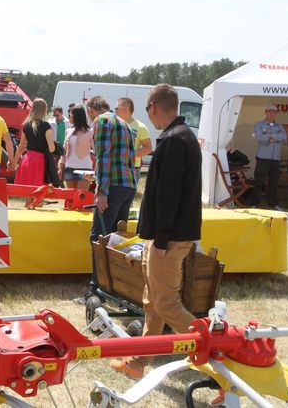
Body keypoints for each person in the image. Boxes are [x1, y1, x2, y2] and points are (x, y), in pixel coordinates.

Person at [110, 84, 202, 380]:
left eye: (148, 109)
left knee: (165, 302)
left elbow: (169, 195)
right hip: (167, 235)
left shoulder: (176, 141)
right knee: (153, 302)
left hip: (169, 237)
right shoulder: (178, 137)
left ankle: (213, 350)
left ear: (154, 107)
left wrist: (161, 238)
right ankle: (138, 362)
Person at [84, 95, 135, 295]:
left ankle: (96, 289)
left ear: (91, 110)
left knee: (99, 237)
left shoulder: (102, 121)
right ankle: (116, 287)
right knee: (116, 238)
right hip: (127, 185)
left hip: (112, 186)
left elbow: (103, 156)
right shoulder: (125, 123)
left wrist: (101, 190)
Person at [250, 104, 287, 210]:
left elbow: (284, 136)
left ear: (276, 113)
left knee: (274, 182)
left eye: (273, 111)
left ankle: (273, 203)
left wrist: (271, 136)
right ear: (265, 112)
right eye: (269, 111)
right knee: (259, 181)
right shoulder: (259, 124)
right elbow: (260, 137)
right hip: (263, 157)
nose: (271, 113)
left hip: (276, 158)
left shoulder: (279, 126)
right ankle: (254, 203)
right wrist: (276, 136)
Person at [12, 98, 56, 187]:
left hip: (27, 159)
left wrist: (14, 162)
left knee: (28, 193)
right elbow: (52, 149)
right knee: (38, 193)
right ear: (44, 110)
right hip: (40, 161)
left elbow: (21, 147)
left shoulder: (26, 125)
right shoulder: (46, 126)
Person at [115, 97, 152, 186]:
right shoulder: (113, 124)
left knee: (128, 197)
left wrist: (129, 154)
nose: (114, 110)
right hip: (115, 166)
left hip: (132, 168)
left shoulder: (140, 127)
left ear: (125, 109)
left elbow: (148, 148)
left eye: (116, 108)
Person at [58, 105, 93, 189]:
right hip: (69, 167)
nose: (68, 117)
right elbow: (64, 151)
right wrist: (60, 168)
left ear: (76, 116)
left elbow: (96, 149)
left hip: (86, 168)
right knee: (70, 198)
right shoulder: (68, 131)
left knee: (82, 197)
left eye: (70, 115)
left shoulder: (90, 132)